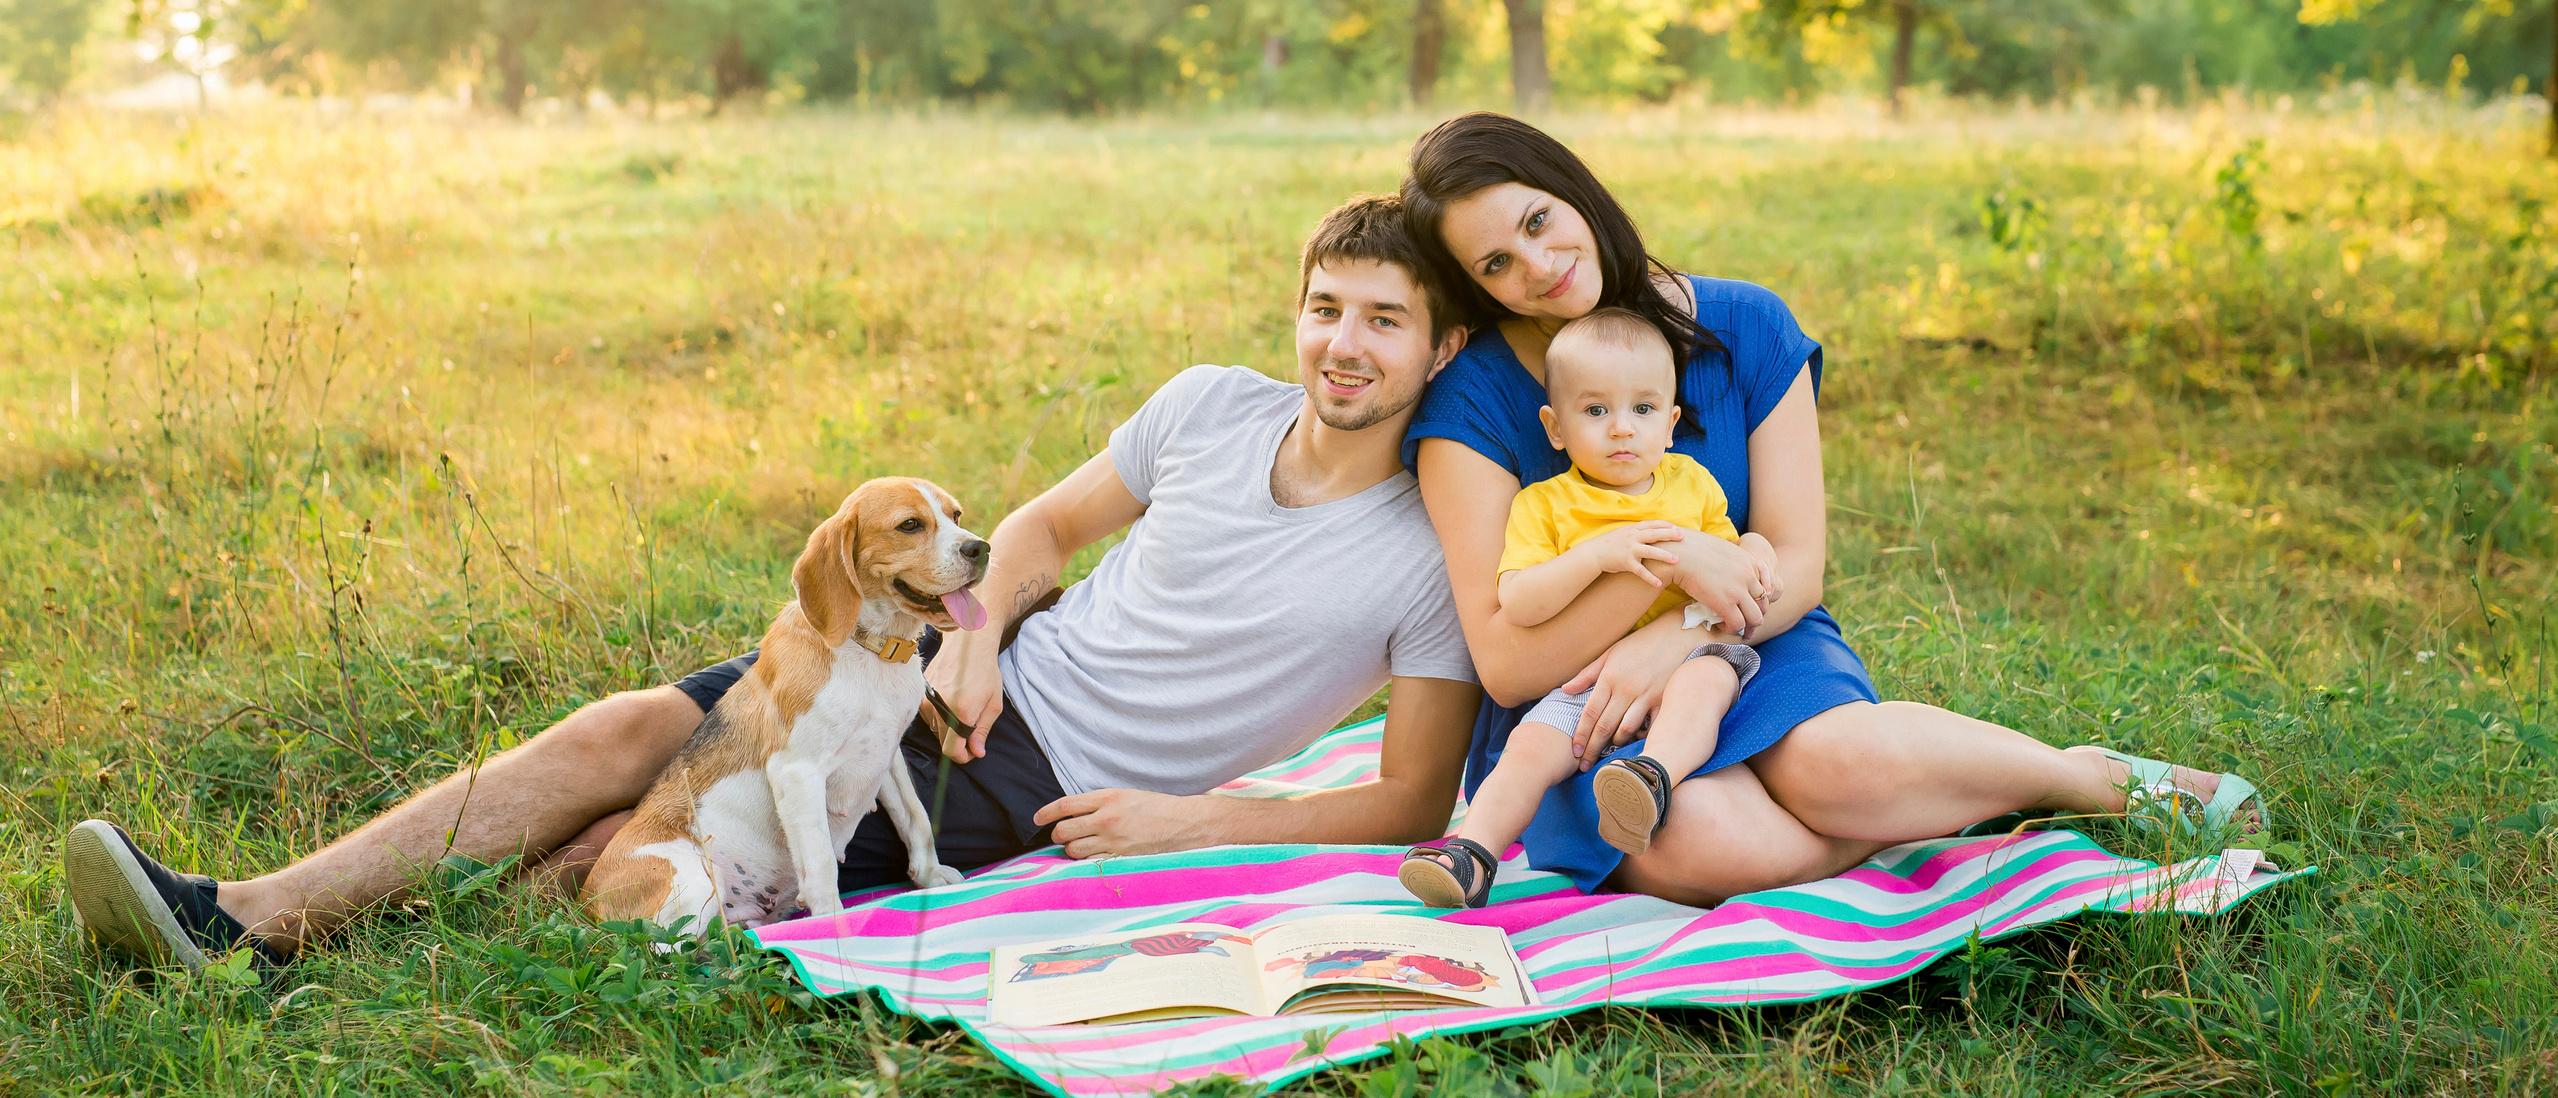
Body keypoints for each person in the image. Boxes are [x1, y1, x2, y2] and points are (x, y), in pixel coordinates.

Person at [61, 195, 1486, 972]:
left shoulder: (1432, 553)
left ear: (1444, 349)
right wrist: (976, 635)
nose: (1342, 345)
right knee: (632, 732)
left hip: (1038, 778)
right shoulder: (1211, 404)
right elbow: (1046, 529)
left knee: (639, 837)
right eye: (1325, 308)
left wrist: (1193, 819)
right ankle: (245, 913)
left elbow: (1411, 797)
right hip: (937, 671)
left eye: (1384, 322)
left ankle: (321, 951)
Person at [1397, 112, 2269, 907]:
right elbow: (1507, 665)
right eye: (1495, 265)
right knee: (1697, 836)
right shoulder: (1471, 402)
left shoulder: (1747, 325)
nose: (1538, 267)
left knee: (1837, 766)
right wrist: (1669, 561)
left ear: (1573, 189)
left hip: (1753, 635)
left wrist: (1682, 635)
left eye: (1538, 221)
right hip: (1584, 702)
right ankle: (1906, 818)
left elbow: (1796, 564)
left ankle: (2081, 778)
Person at [1398, 308, 1770, 908]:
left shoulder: (1693, 485)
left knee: (1705, 682)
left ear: (1671, 424)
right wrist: (1596, 556)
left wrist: (1754, 549)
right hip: (1589, 682)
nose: (1622, 429)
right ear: (1556, 427)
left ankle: (1651, 778)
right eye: (1596, 411)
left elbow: (1729, 576)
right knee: (1528, 749)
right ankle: (1471, 854)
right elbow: (1519, 600)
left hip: (1688, 652)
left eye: (1643, 409)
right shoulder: (1545, 505)